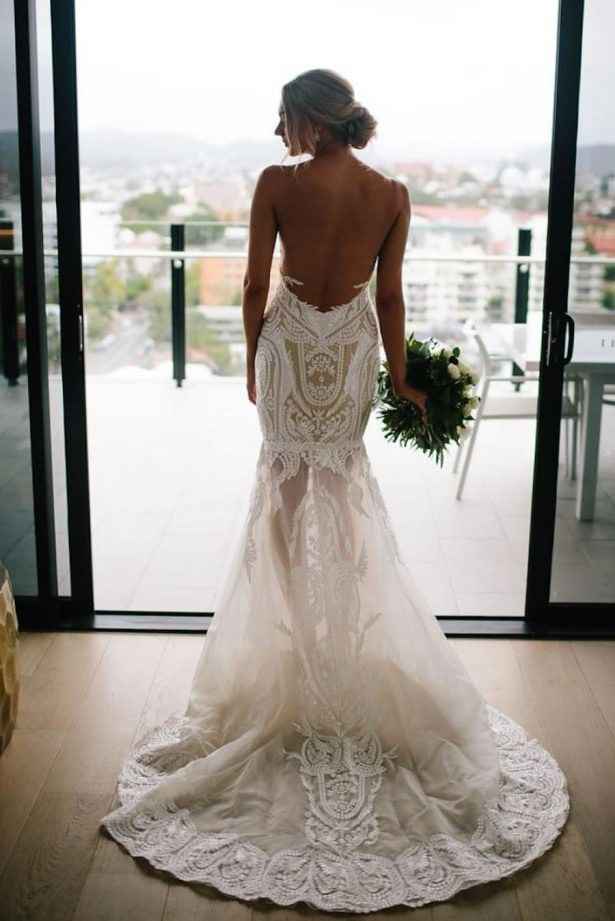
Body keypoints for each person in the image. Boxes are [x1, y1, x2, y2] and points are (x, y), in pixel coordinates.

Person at [101, 69, 570, 914]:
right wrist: (398, 377)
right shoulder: (389, 192)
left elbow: (253, 286)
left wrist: (252, 359)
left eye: (283, 115)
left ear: (309, 118)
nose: (276, 129)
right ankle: (339, 633)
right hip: (352, 349)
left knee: (284, 489)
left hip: (289, 349)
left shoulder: (276, 185)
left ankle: (290, 637)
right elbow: (388, 295)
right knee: (344, 485)